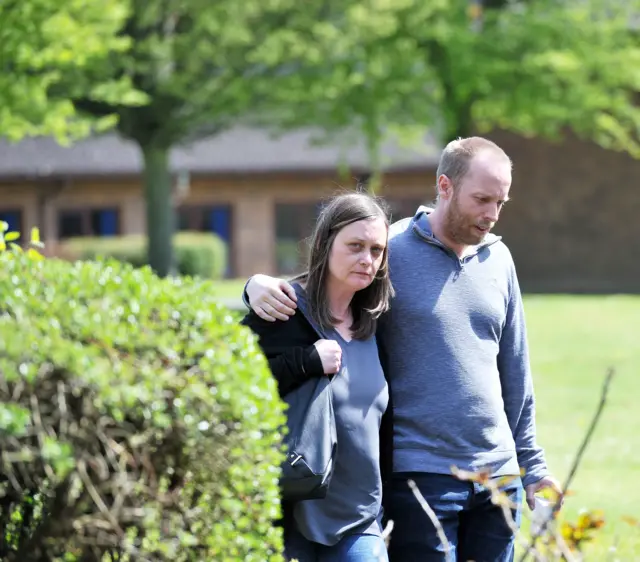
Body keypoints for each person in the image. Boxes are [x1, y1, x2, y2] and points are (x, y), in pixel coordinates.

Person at [243, 136, 563, 562]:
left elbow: (515, 371)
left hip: (498, 476)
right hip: (422, 475)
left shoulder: (500, 260)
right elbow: (325, 287)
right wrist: (256, 286)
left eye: (501, 202)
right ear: (445, 187)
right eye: (482, 199)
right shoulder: (389, 250)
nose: (492, 214)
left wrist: (532, 466)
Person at [241, 192, 394, 562]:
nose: (367, 259)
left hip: (359, 518)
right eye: (355, 245)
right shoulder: (284, 308)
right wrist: (305, 362)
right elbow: (237, 383)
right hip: (289, 517)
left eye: (377, 250)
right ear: (326, 243)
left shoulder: (378, 324)